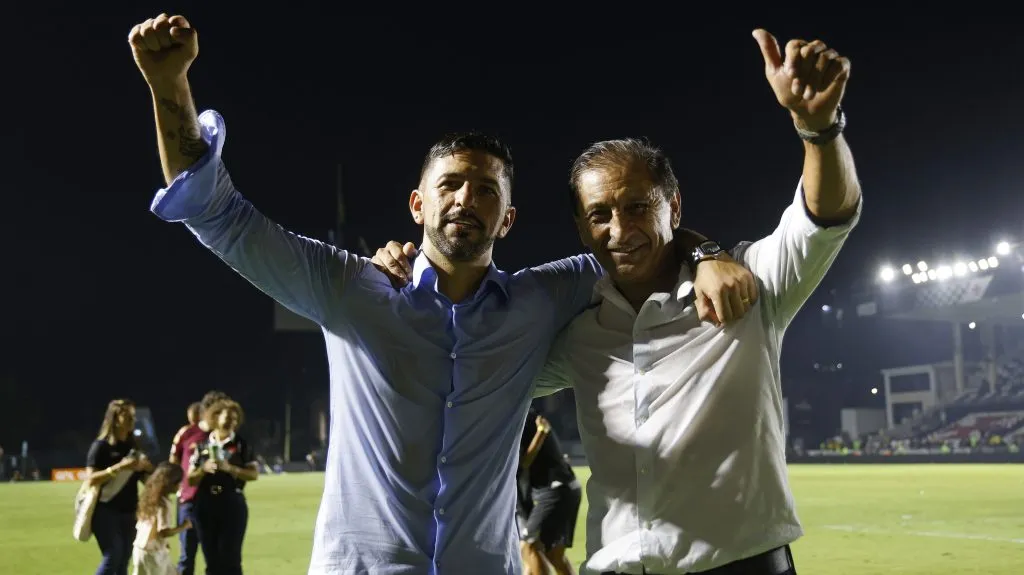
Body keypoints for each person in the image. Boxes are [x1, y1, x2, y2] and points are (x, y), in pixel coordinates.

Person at [127, 14, 754, 574]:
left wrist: (707, 254)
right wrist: (169, 91)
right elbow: (220, 215)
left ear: (508, 219)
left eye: (486, 191)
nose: (465, 200)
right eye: (450, 185)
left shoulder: (543, 298)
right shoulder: (352, 290)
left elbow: (637, 240)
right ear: (417, 203)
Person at [531, 30, 862, 575]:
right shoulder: (579, 335)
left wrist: (819, 130)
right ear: (581, 228)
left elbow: (824, 219)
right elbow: (479, 374)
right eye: (600, 215)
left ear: (674, 207)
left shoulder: (752, 285)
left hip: (740, 565)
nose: (620, 229)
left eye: (638, 207)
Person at [188, 399, 259, 575]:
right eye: (228, 417)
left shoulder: (242, 445)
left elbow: (253, 474)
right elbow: (190, 479)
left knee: (231, 558)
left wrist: (231, 468)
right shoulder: (202, 445)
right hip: (205, 504)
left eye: (235, 419)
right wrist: (203, 469)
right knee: (211, 560)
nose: (231, 422)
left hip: (232, 503)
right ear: (215, 417)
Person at [85, 399, 155, 575]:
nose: (132, 419)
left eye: (133, 415)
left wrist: (148, 469)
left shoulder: (134, 447)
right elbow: (90, 479)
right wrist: (118, 468)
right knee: (113, 556)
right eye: (127, 415)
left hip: (130, 511)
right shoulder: (100, 447)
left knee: (123, 561)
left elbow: (146, 480)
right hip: (105, 511)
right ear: (115, 419)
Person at [169, 391, 229, 575]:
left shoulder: (224, 436)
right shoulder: (187, 433)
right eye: (219, 411)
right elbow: (173, 463)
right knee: (187, 558)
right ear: (208, 411)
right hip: (190, 502)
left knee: (216, 559)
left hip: (217, 503)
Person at [517, 408, 581, 575]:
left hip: (555, 491)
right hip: (568, 488)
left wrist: (541, 433)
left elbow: (522, 463)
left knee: (529, 546)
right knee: (554, 555)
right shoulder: (529, 416)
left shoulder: (517, 420)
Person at [132, 462, 193, 575]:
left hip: (141, 548)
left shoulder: (150, 498)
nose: (180, 485)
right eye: (178, 482)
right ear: (171, 483)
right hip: (152, 554)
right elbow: (164, 531)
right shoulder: (163, 504)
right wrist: (183, 526)